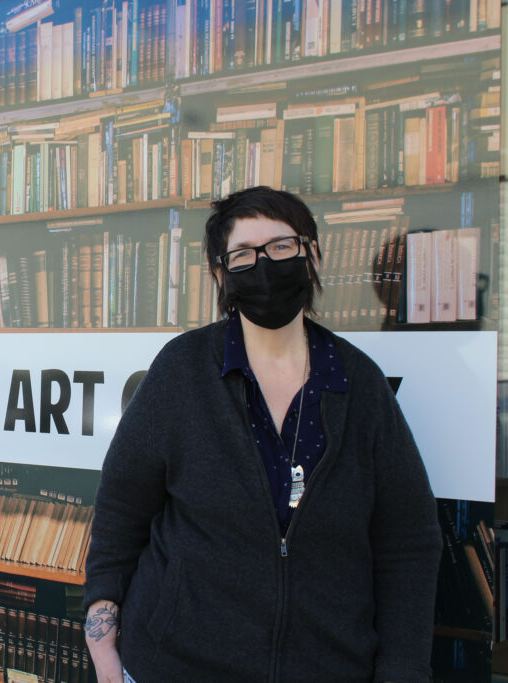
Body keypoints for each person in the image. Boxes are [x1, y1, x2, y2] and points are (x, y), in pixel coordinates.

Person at [82, 186, 442, 683]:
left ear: (312, 253)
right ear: (220, 273)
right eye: (243, 255)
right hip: (174, 666)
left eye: (281, 246)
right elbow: (121, 510)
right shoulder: (182, 371)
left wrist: (403, 670)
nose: (264, 264)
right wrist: (103, 650)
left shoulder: (359, 385)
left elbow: (408, 541)